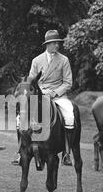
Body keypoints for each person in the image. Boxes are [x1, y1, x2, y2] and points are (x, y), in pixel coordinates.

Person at [11, 30, 75, 166]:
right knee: (19, 119)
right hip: (39, 95)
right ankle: (20, 152)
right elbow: (30, 81)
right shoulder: (36, 60)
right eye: (54, 43)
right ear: (47, 44)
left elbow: (68, 82)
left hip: (58, 95)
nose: (57, 45)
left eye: (58, 43)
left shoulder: (64, 60)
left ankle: (66, 153)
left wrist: (55, 93)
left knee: (69, 116)